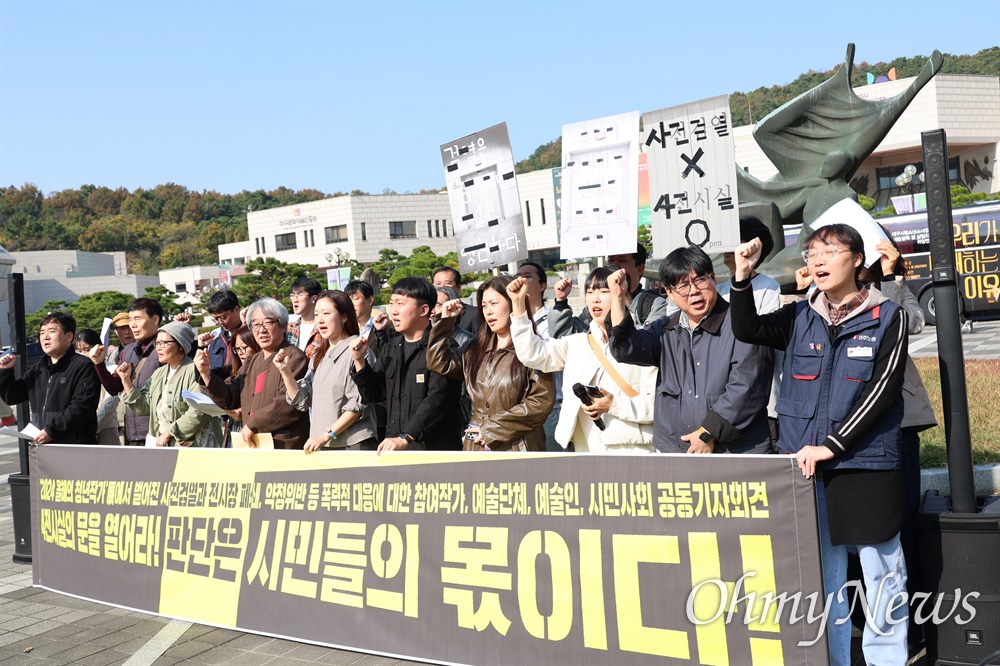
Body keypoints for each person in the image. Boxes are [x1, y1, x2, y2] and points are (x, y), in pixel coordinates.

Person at [729, 224, 909, 665]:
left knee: (882, 576)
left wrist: (833, 445)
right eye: (812, 252)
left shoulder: (888, 315)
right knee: (822, 580)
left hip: (864, 467)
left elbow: (882, 391)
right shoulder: (799, 315)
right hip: (806, 468)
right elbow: (748, 327)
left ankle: (886, 659)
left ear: (858, 260)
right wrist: (742, 276)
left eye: (830, 250)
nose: (819, 260)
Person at [608, 246, 774, 454]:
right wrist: (617, 297)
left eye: (700, 280)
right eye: (683, 285)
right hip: (678, 453)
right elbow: (625, 349)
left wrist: (707, 433)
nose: (694, 291)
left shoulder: (743, 325)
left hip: (736, 455)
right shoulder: (665, 330)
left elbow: (746, 388)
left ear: (713, 277)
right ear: (669, 291)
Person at [509, 267, 656, 453]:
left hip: (634, 453)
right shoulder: (578, 343)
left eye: (604, 291)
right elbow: (532, 354)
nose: (595, 298)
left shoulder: (643, 344)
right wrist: (518, 305)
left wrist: (614, 405)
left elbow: (658, 407)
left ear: (622, 293)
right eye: (590, 291)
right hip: (585, 455)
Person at [427, 275, 555, 452]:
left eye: (494, 303)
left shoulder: (534, 350)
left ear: (513, 302)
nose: (488, 311)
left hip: (518, 446)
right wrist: (445, 323)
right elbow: (439, 363)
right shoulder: (474, 350)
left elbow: (541, 401)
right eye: (484, 306)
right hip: (475, 444)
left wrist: (493, 429)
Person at [350, 277, 463, 453]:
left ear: (424, 309)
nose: (393, 311)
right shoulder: (391, 347)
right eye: (391, 303)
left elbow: (438, 399)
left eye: (400, 304)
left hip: (433, 449)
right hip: (395, 446)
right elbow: (374, 394)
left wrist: (407, 436)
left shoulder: (443, 348)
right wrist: (359, 361)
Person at [196, 297, 310, 449]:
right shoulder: (252, 361)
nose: (261, 330)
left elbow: (287, 404)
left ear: (283, 326)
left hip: (282, 443)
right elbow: (230, 397)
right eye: (255, 324)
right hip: (253, 442)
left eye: (268, 323)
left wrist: (253, 425)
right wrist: (206, 374)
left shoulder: (294, 357)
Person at [275, 290, 378, 452]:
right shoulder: (319, 355)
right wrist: (285, 371)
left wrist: (327, 434)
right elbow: (302, 401)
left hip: (352, 444)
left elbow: (358, 406)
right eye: (316, 315)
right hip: (323, 444)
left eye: (326, 313)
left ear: (344, 316)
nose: (320, 320)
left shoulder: (358, 349)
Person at [0, 312, 100, 445]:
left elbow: (82, 407)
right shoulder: (38, 369)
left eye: (52, 331)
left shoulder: (83, 365)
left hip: (75, 447)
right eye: (42, 332)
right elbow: (12, 396)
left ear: (69, 336)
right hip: (42, 445)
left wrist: (52, 431)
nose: (45, 337)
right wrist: (5, 371)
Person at [118, 322, 222, 448]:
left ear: (180, 345)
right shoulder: (158, 373)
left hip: (192, 447)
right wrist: (126, 381)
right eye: (157, 343)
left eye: (164, 343)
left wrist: (169, 433)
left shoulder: (195, 370)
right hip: (163, 445)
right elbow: (143, 407)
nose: (159, 348)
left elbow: (199, 411)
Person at [89, 298, 164, 446]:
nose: (133, 325)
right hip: (132, 431)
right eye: (131, 320)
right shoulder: (128, 350)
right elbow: (114, 387)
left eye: (138, 319)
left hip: (158, 432)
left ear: (155, 320)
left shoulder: (166, 348)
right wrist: (99, 364)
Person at [550, 243, 667, 337]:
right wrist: (561, 302)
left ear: (640, 269)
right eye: (611, 260)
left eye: (622, 260)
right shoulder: (594, 308)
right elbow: (566, 339)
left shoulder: (653, 305)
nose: (614, 265)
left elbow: (650, 343)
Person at [516, 261, 565, 452]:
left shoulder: (555, 321)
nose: (520, 281)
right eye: (516, 277)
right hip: (518, 410)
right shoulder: (509, 324)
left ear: (543, 285)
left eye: (528, 277)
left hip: (550, 409)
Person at [74, 329, 121, 445]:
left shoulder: (111, 369)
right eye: (79, 351)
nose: (84, 354)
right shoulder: (75, 371)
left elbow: (110, 404)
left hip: (106, 429)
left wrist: (93, 427)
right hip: (80, 429)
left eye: (87, 350)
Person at [198, 290, 243, 374]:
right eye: (216, 318)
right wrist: (201, 348)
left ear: (236, 309)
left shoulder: (251, 334)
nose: (220, 322)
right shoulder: (214, 336)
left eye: (223, 317)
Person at [432, 266, 479, 334]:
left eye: (448, 283)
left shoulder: (473, 314)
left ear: (458, 287)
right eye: (438, 284)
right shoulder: (428, 314)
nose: (442, 287)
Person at [286, 277, 323, 357]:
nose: (295, 300)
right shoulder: (289, 328)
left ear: (313, 298)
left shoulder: (323, 328)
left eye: (299, 295)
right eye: (292, 295)